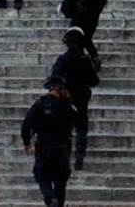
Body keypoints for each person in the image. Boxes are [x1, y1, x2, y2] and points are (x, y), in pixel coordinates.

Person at [21, 76, 78, 207]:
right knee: (60, 182)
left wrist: (26, 142)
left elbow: (26, 125)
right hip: (62, 147)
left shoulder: (40, 104)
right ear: (60, 89)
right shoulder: (67, 106)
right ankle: (57, 202)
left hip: (44, 147)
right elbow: (77, 119)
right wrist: (68, 100)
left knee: (42, 176)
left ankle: (51, 198)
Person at [50, 27, 100, 171]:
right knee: (81, 128)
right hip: (81, 98)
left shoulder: (63, 59)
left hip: (65, 98)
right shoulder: (85, 60)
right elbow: (94, 81)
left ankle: (65, 155)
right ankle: (80, 153)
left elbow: (54, 77)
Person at [60, 0, 107, 67]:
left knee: (79, 38)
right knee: (84, 38)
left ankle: (85, 60)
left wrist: (68, 9)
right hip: (90, 15)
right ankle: (90, 58)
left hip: (81, 14)